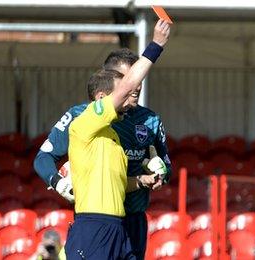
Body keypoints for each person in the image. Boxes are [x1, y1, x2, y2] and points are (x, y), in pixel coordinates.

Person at [33, 47, 171, 259]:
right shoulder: (81, 117)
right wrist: (59, 182)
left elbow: (165, 167)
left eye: (139, 77)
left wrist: (156, 174)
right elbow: (43, 157)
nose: (135, 86)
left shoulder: (150, 120)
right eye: (129, 79)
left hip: (132, 220)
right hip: (94, 219)